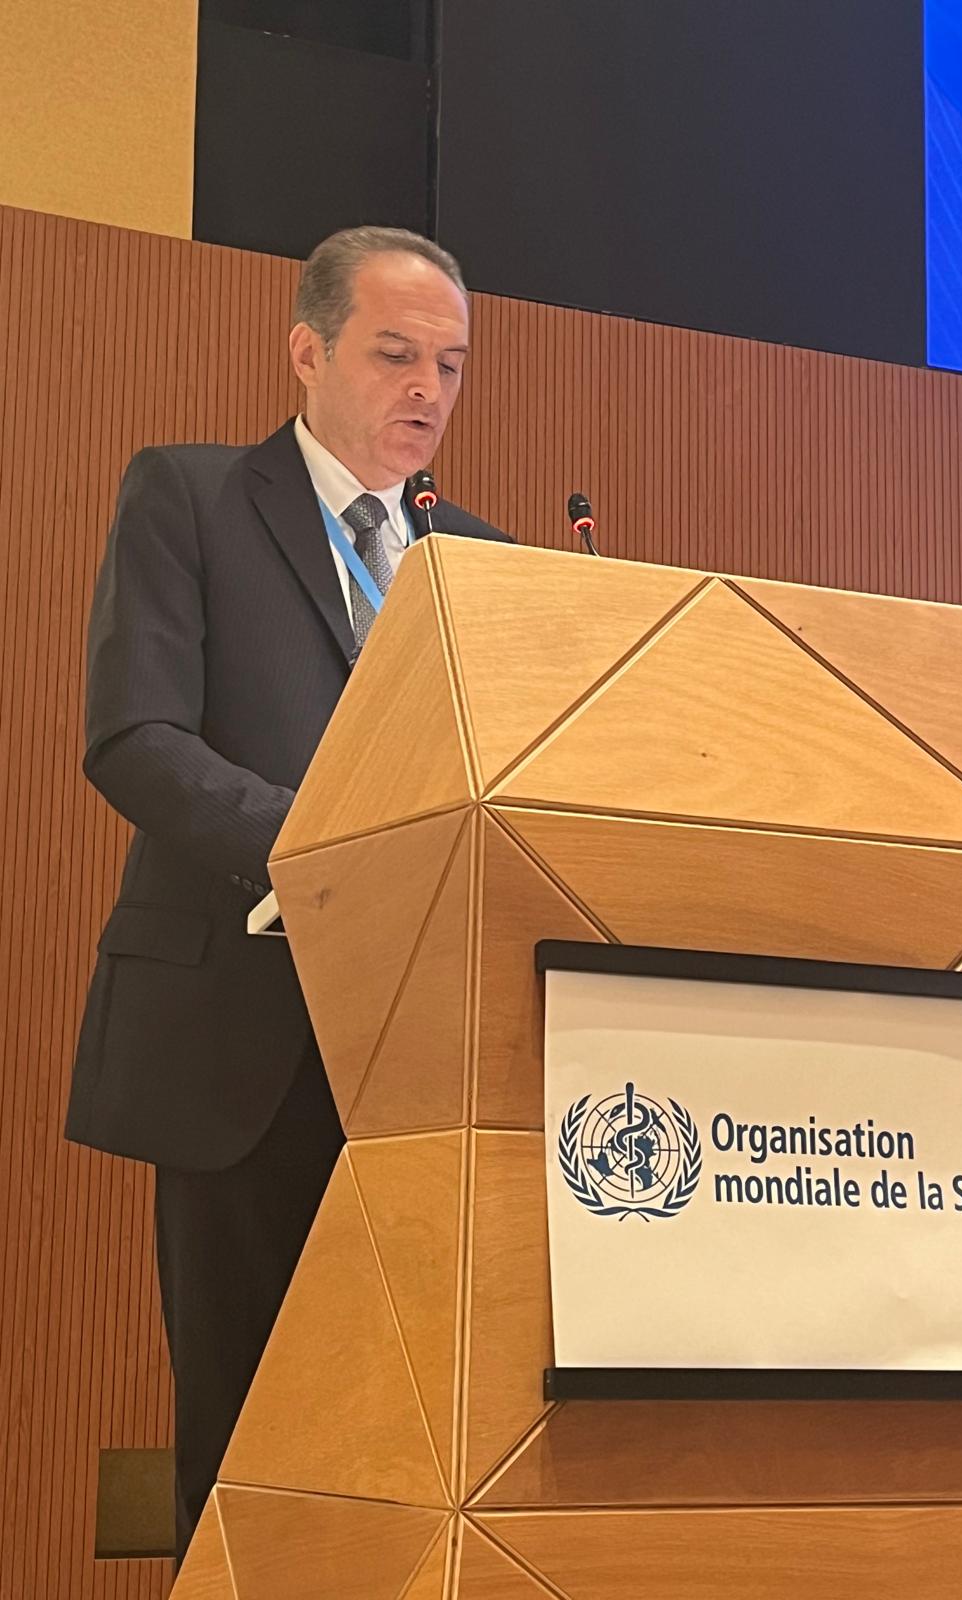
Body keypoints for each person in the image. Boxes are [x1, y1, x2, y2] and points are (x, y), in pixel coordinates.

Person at [64, 226, 510, 1562]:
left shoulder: (479, 561)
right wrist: (326, 847)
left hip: (429, 1056)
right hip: (244, 1037)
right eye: (394, 353)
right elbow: (137, 738)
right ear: (307, 352)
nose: (426, 387)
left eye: (450, 364)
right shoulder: (192, 497)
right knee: (247, 1435)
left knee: (415, 1442)